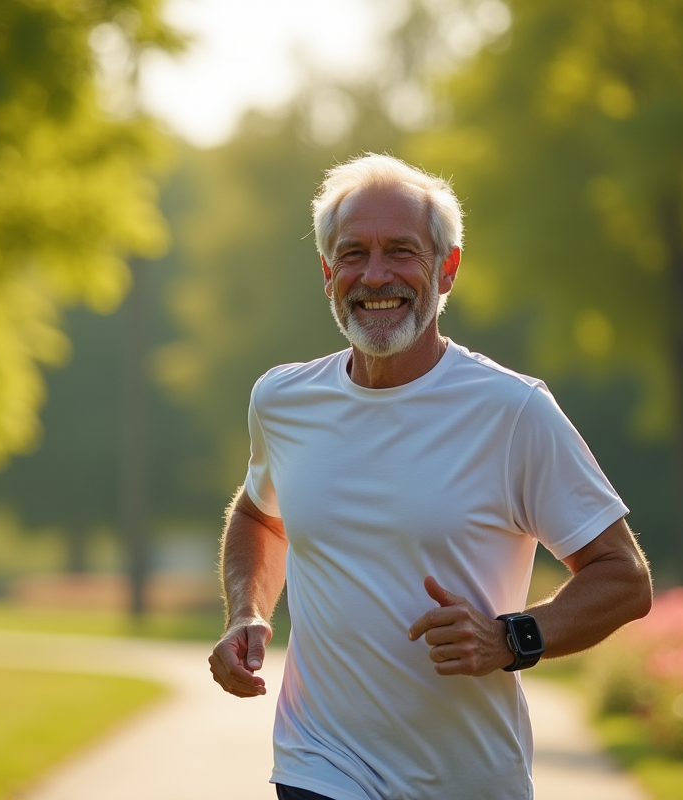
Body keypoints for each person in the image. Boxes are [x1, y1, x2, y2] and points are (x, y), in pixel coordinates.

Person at [207, 153, 653, 800]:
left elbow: (625, 579)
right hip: (318, 764)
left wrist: (512, 637)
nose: (375, 275)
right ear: (328, 272)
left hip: (468, 780)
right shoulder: (282, 400)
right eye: (353, 253)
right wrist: (245, 611)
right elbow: (258, 515)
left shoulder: (513, 411)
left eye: (401, 251)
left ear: (447, 268)